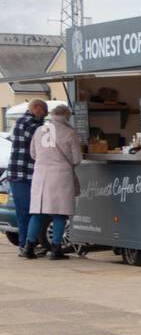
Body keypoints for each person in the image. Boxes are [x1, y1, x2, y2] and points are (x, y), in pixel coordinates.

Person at [23, 103, 82, 261]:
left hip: (40, 175)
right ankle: (56, 249)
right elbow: (77, 159)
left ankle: (28, 247)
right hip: (60, 177)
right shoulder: (69, 133)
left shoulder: (39, 130)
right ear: (67, 116)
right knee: (59, 213)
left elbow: (33, 154)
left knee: (37, 213)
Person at [6, 99, 47, 256]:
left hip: (27, 174)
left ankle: (29, 243)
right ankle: (25, 245)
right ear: (37, 108)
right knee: (26, 211)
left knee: (31, 211)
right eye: (44, 111)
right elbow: (40, 136)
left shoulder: (31, 122)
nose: (45, 115)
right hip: (21, 174)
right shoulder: (27, 122)